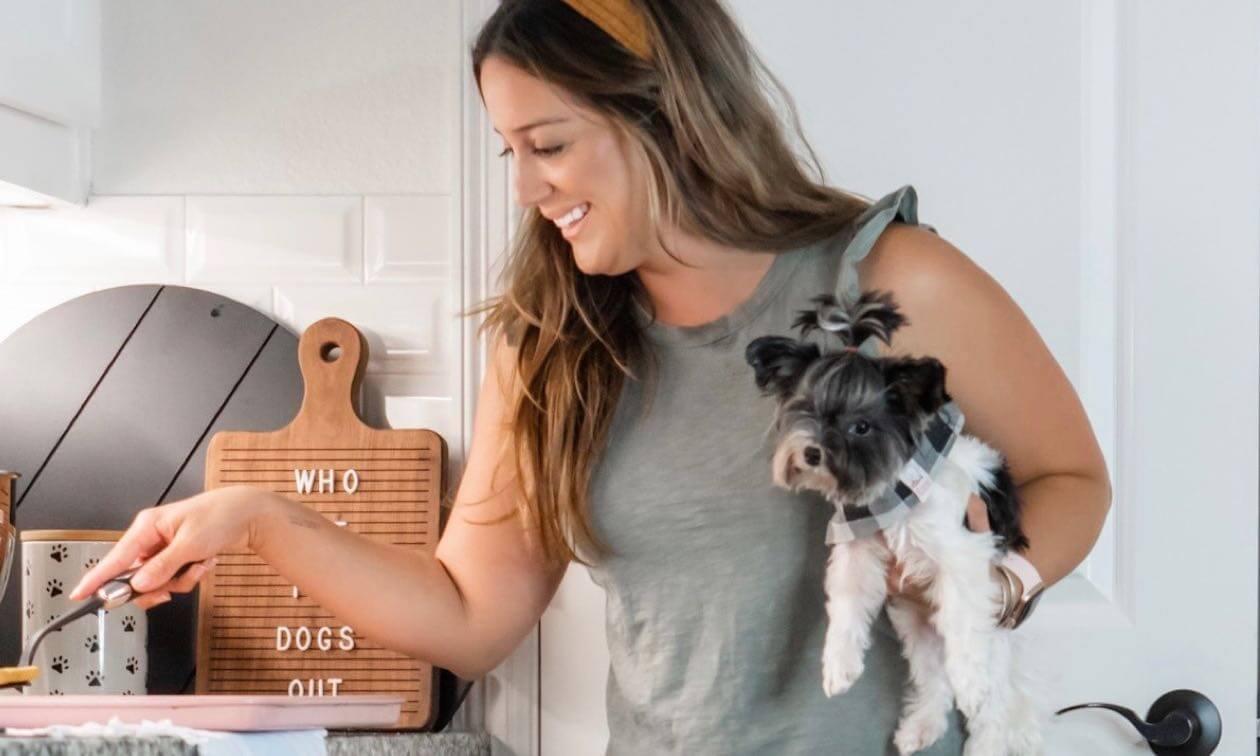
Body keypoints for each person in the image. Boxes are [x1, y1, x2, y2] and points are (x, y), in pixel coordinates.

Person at [72, 0, 1112, 752]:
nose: (527, 188)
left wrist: (1001, 580)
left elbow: (1072, 479)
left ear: (666, 112)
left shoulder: (890, 277)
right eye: (508, 152)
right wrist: (258, 520)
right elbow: (470, 617)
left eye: (550, 144)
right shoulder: (551, 344)